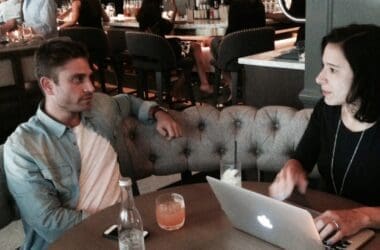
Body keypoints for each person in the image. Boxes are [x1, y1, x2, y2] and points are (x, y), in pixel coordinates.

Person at [4, 39, 182, 250]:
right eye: (78, 79)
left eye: (90, 76)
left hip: (124, 233)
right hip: (69, 243)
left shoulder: (99, 107)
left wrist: (157, 112)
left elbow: (128, 102)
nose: (91, 87)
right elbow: (50, 223)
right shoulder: (23, 147)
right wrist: (115, 224)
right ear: (48, 85)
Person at [269, 24, 380, 246]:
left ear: (365, 75)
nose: (319, 78)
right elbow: (302, 157)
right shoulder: (327, 109)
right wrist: (293, 166)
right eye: (323, 66)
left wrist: (361, 217)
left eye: (332, 69)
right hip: (330, 228)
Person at [136, 0, 214, 95]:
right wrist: (174, 10)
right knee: (196, 48)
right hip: (164, 52)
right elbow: (169, 28)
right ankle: (203, 84)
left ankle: (178, 88)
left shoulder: (140, 18)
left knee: (191, 55)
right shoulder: (158, 21)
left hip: (149, 54)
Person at [209, 0, 265, 92]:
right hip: (256, 51)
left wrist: (223, 40)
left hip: (238, 53)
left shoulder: (236, 4)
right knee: (219, 46)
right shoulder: (260, 5)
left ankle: (231, 84)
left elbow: (231, 32)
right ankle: (234, 83)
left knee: (214, 42)